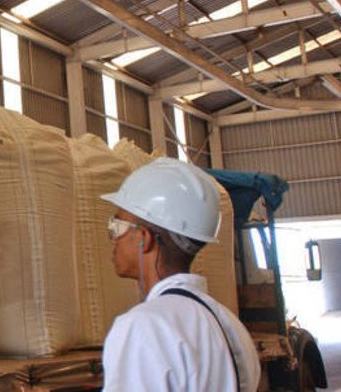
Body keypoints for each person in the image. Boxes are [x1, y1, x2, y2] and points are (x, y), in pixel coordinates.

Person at [100, 157, 260, 392]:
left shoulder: (144, 326)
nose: (113, 239)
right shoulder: (230, 324)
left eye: (118, 227)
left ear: (144, 238)